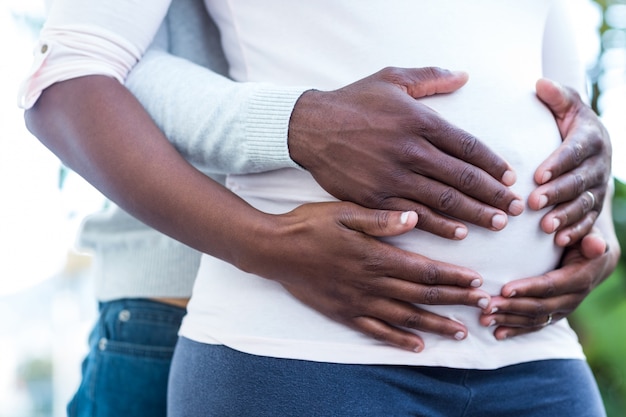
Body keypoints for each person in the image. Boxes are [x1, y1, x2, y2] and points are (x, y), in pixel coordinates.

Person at [19, 0, 618, 415]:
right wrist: (268, 237)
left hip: (532, 351)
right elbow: (75, 71)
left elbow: (548, 92)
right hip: (299, 348)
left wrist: (594, 211)